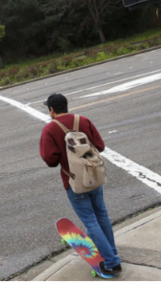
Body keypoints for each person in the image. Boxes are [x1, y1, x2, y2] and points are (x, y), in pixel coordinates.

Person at [39, 93, 122, 277]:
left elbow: (50, 160)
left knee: (91, 222)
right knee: (102, 216)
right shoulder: (83, 121)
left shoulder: (50, 130)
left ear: (52, 110)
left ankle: (112, 262)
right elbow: (99, 146)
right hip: (94, 176)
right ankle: (112, 254)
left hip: (74, 182)